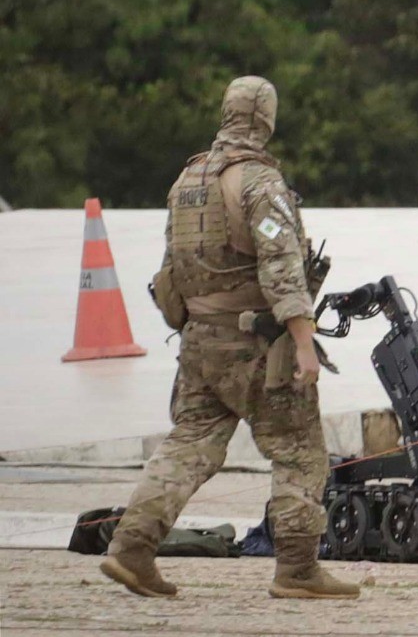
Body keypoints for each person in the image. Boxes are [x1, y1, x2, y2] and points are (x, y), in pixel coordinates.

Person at [99, 77, 357, 600]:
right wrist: (304, 342)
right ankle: (299, 570)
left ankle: (131, 549)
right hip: (258, 346)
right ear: (266, 119)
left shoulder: (187, 182)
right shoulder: (260, 184)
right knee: (300, 452)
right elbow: (282, 268)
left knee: (186, 448)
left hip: (198, 344)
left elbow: (174, 269)